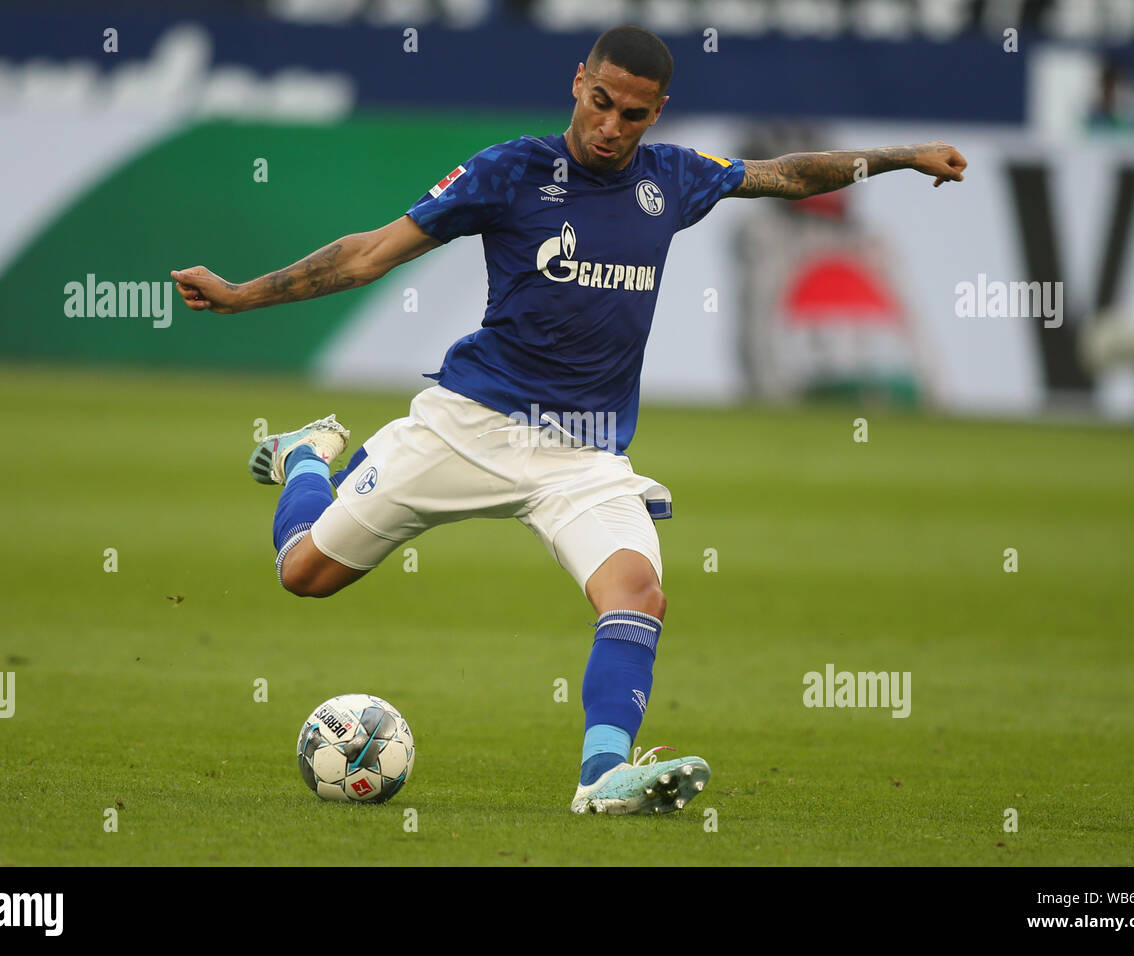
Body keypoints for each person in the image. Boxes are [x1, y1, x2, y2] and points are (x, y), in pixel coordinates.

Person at [171, 24, 966, 815]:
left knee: (638, 593)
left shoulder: (674, 179)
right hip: (467, 426)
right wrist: (244, 294)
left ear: (658, 113)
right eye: (601, 103)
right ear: (578, 82)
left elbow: (787, 175)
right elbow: (369, 254)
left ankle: (600, 779)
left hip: (584, 457)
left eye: (633, 115)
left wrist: (902, 156)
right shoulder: (510, 171)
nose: (612, 127)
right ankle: (310, 456)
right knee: (305, 574)